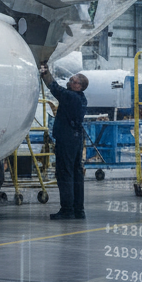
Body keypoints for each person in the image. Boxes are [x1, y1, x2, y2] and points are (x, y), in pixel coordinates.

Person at [40, 63, 89, 220]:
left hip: (67, 139)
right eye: (71, 80)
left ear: (80, 87)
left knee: (65, 173)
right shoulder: (81, 98)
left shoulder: (71, 97)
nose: (70, 82)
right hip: (76, 138)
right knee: (76, 173)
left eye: (74, 81)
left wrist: (45, 73)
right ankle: (78, 210)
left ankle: (67, 209)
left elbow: (55, 89)